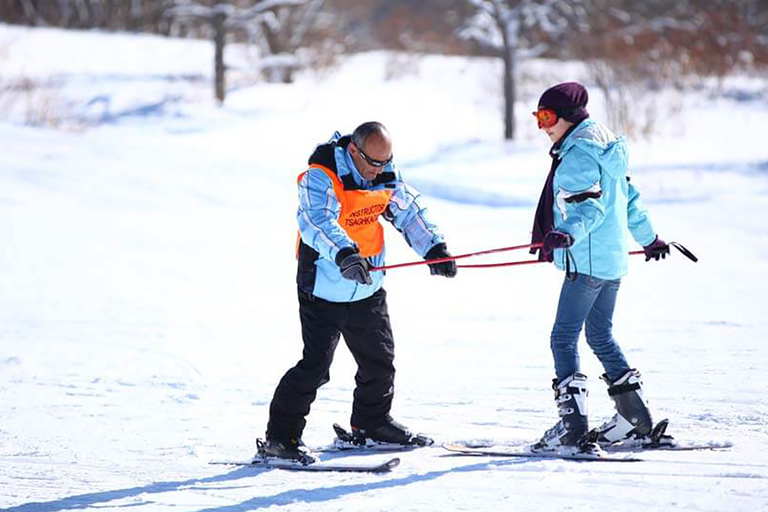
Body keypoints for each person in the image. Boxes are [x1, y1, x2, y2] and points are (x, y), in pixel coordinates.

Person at [260, 121, 457, 462]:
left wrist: (434, 249)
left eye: (385, 162)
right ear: (353, 151)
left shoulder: (384, 173)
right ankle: (280, 438)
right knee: (315, 366)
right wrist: (344, 254)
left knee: (379, 360)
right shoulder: (321, 175)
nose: (377, 171)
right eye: (372, 163)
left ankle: (372, 424)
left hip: (367, 286)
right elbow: (317, 221)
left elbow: (408, 213)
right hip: (323, 285)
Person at [528, 82, 672, 453]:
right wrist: (648, 238)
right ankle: (635, 419)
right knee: (600, 336)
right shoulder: (606, 146)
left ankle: (572, 429)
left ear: (569, 117)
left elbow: (588, 209)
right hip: (611, 262)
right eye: (537, 117)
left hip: (586, 261)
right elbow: (629, 201)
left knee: (563, 337)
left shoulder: (577, 153)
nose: (543, 126)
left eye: (547, 117)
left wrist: (566, 233)